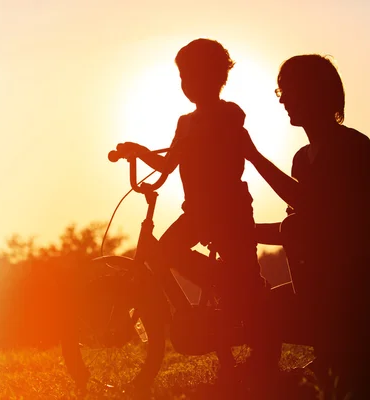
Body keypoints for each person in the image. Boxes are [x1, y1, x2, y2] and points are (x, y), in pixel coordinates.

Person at [244, 54, 370, 393]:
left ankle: (351, 336)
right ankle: (334, 345)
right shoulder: (302, 159)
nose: (284, 100)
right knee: (258, 310)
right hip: (329, 280)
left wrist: (254, 155)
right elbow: (301, 225)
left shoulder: (352, 146)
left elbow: (312, 206)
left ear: (317, 94)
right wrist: (241, 231)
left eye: (290, 91)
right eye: (282, 92)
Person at [116, 38, 272, 377]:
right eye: (183, 78)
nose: (188, 85)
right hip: (198, 214)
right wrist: (140, 152)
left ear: (218, 78)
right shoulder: (184, 122)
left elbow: (223, 149)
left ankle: (257, 342)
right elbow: (168, 165)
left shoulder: (230, 114)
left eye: (195, 76)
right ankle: (218, 288)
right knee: (162, 252)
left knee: (246, 283)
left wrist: (196, 143)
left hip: (230, 213)